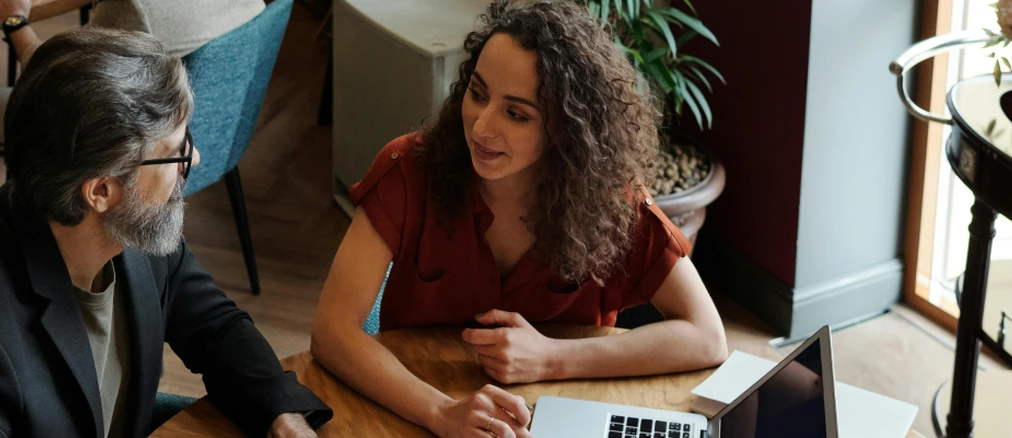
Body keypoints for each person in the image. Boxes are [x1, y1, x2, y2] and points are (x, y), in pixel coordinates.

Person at [309, 1, 728, 437]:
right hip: (415, 409)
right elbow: (332, 331)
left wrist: (550, 356)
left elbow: (707, 336)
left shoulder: (613, 202)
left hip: (562, 415)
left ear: (567, 128)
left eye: (516, 113)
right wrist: (440, 413)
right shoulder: (409, 169)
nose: (481, 127)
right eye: (478, 93)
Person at [0, 27, 330, 438]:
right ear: (101, 191)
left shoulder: (132, 226)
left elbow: (215, 327)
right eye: (176, 151)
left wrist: (282, 416)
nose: (194, 160)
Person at [0, 0, 266, 218]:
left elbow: (68, 88)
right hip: (208, 130)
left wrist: (14, 22)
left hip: (124, 149)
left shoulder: (133, 6)